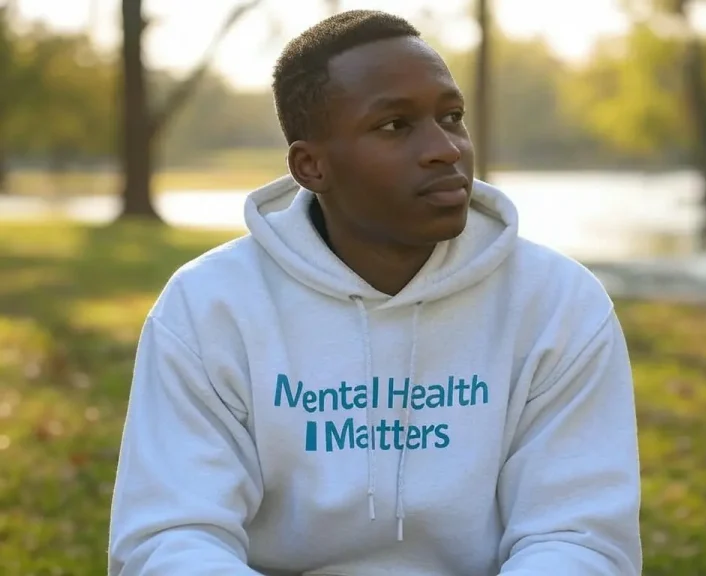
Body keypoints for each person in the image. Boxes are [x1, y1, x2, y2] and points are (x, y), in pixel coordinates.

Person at [108, 9, 642, 576]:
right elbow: (170, 538)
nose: (447, 149)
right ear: (311, 166)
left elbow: (579, 539)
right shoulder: (209, 306)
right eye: (395, 125)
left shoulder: (557, 303)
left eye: (452, 117)